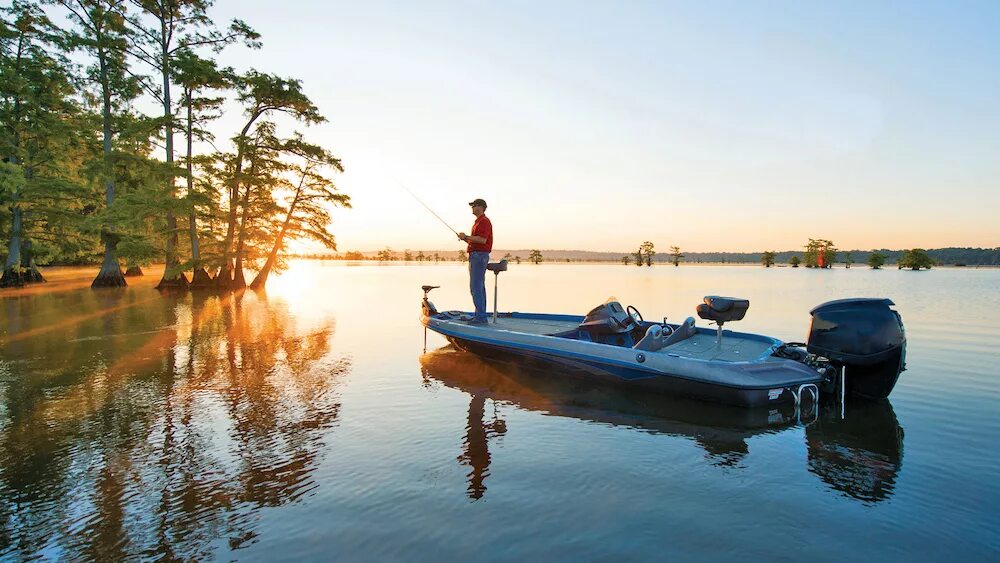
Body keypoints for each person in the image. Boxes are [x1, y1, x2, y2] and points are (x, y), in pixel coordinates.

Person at [457, 198, 492, 324]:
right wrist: (465, 238)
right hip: (477, 255)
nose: (472, 208)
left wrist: (466, 236)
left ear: (481, 207)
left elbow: (482, 240)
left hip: (479, 256)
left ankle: (481, 317)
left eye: (474, 205)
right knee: (478, 286)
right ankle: (479, 314)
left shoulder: (484, 221)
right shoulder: (477, 222)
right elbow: (476, 241)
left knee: (476, 287)